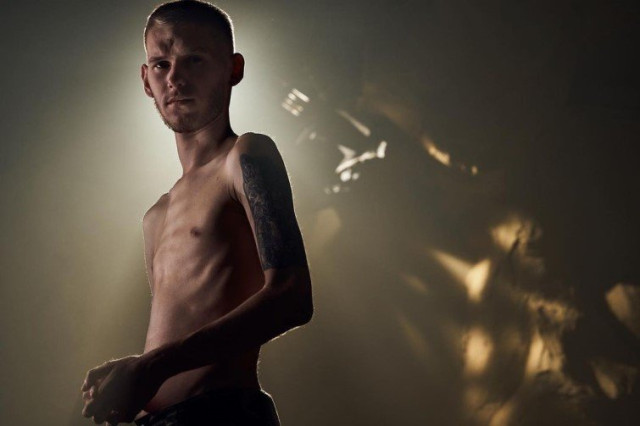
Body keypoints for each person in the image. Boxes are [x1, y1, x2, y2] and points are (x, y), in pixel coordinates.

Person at [80, 1, 313, 424]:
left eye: (194, 60)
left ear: (233, 69)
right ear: (146, 80)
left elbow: (292, 297)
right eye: (161, 64)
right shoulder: (156, 215)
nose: (175, 78)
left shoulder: (245, 155)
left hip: (223, 414)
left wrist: (153, 367)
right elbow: (184, 333)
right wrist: (135, 372)